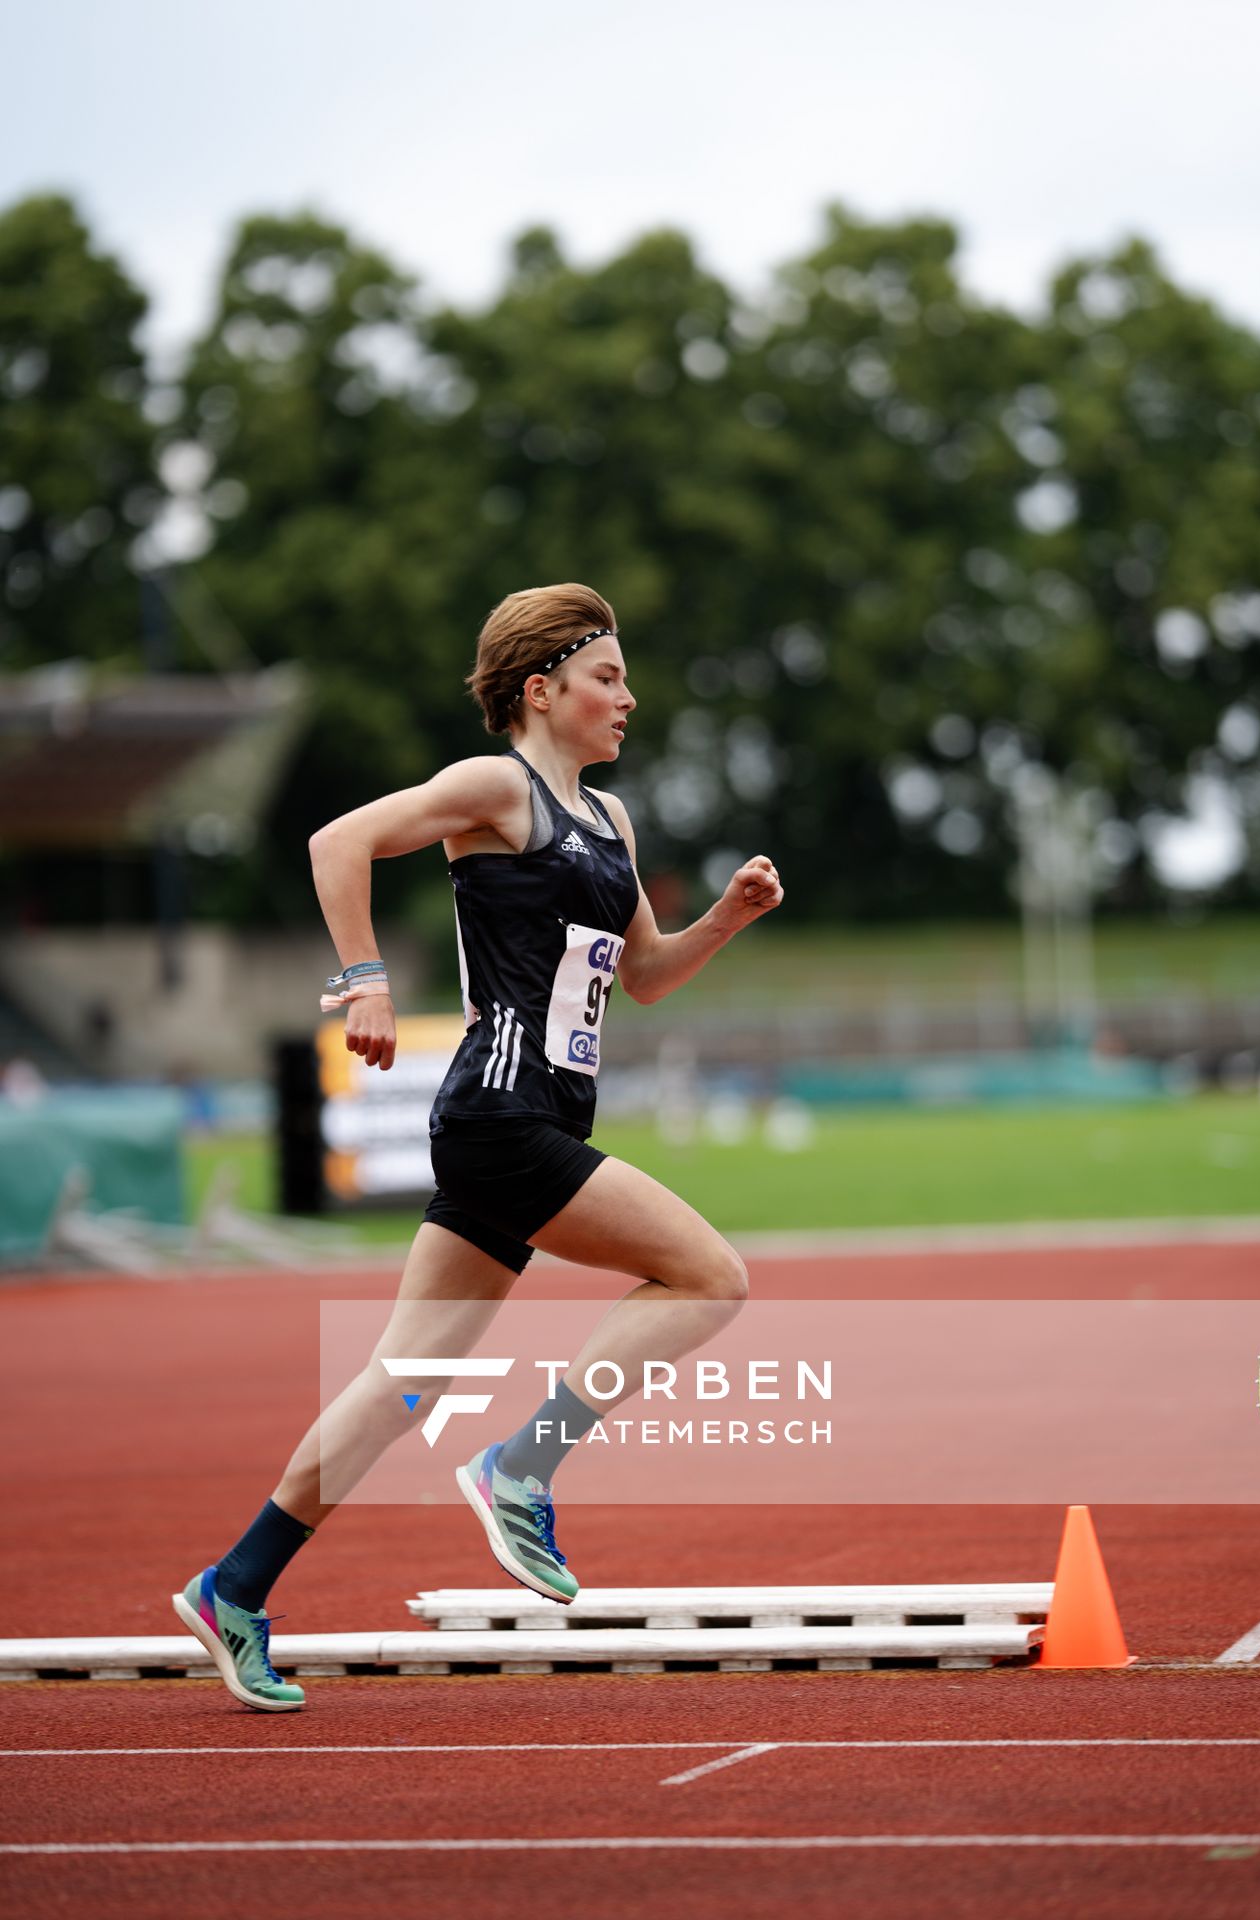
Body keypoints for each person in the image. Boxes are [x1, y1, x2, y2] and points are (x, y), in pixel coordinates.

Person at [173, 583, 783, 1711]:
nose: (627, 698)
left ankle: (234, 1588)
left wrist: (728, 919)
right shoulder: (495, 789)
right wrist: (362, 978)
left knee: (403, 1382)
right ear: (540, 689)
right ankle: (521, 1465)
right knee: (710, 1276)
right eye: (607, 678)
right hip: (498, 1115)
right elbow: (338, 841)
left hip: (541, 1119)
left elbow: (641, 978)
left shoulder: (611, 822)